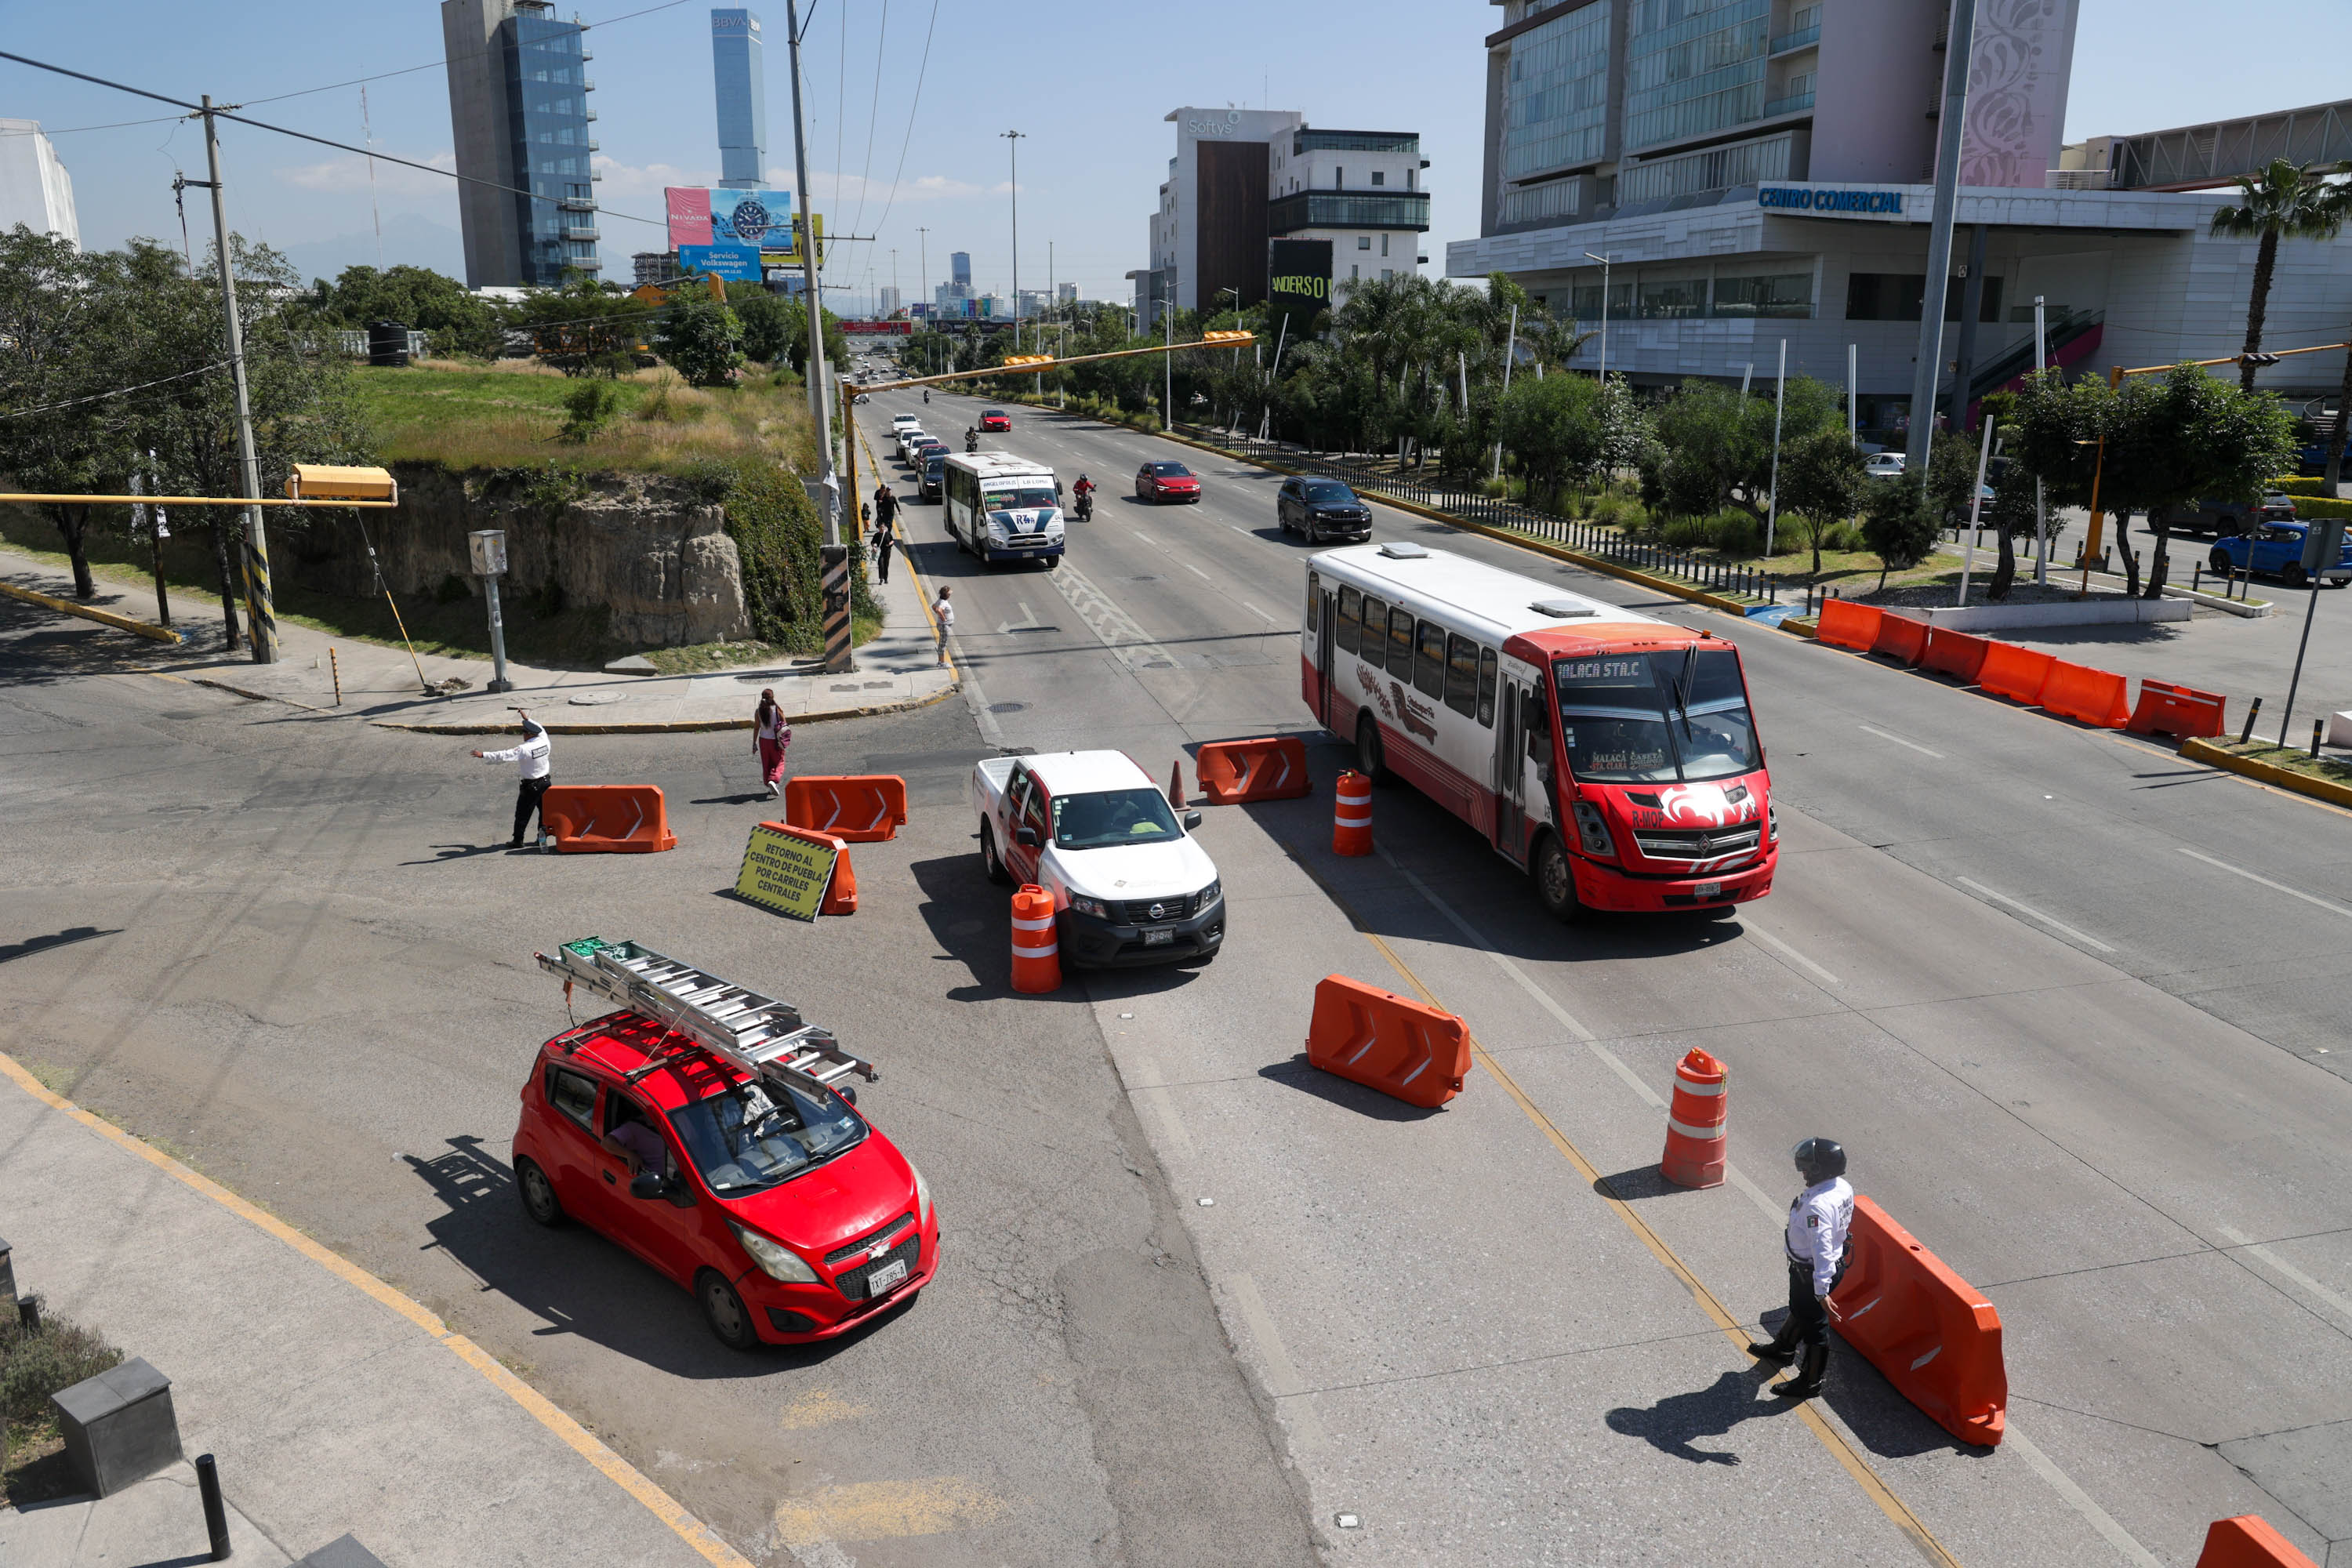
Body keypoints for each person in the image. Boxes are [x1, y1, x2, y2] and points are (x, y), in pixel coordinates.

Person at [1747, 1138, 1854, 1400]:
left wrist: (1821, 1291)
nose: (1804, 1172)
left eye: (1807, 1168)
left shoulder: (1817, 1206)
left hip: (1812, 1272)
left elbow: (1822, 1249)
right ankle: (1784, 1348)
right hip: (1812, 1269)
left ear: (1820, 1170)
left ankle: (1810, 1382)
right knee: (1801, 1310)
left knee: (1815, 1326)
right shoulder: (1841, 1187)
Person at [472, 713, 553, 849]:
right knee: (544, 814)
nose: (523, 735)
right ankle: (542, 841)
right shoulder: (544, 739)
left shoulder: (524, 749)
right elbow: (540, 727)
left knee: (522, 814)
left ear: (528, 734)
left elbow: (504, 755)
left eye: (523, 732)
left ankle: (518, 840)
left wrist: (483, 755)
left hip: (531, 786)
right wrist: (527, 718)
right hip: (545, 783)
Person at [753, 688, 792, 797]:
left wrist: (754, 743)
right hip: (776, 741)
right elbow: (784, 723)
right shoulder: (777, 709)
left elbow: (756, 728)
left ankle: (770, 785)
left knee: (767, 763)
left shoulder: (758, 711)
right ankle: (774, 781)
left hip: (763, 741)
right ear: (772, 698)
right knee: (779, 762)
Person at [870, 505, 898, 585]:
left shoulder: (888, 534)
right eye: (880, 527)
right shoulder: (876, 535)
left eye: (883, 527)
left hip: (887, 551)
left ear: (884, 527)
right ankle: (881, 579)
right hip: (880, 552)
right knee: (881, 565)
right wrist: (874, 547)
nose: (882, 528)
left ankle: (886, 578)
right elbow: (873, 542)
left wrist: (890, 543)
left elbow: (893, 541)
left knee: (886, 565)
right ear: (878, 528)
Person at [931, 585, 953, 667]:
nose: (950, 595)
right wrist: (944, 619)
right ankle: (942, 663)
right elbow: (938, 609)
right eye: (949, 594)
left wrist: (940, 615)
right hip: (944, 626)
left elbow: (933, 607)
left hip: (943, 625)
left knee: (942, 643)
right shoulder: (943, 602)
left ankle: (940, 662)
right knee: (943, 644)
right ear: (946, 595)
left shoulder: (940, 600)